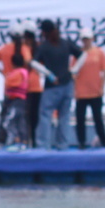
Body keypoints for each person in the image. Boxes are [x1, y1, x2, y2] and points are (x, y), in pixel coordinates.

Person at [0, 23, 38, 146]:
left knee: (6, 115)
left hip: (9, 87)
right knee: (22, 116)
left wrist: (3, 72)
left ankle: (2, 139)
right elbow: (28, 62)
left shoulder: (5, 48)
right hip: (22, 88)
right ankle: (24, 140)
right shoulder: (24, 49)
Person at [31, 19, 78, 150]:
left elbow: (33, 62)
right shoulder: (65, 43)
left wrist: (49, 74)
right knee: (64, 116)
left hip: (52, 86)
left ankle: (43, 145)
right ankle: (62, 145)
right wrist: (73, 71)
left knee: (46, 115)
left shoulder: (45, 46)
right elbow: (82, 55)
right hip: (67, 84)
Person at [71, 32, 105, 148]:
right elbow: (73, 72)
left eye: (88, 39)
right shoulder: (77, 54)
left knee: (98, 118)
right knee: (80, 119)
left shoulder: (99, 53)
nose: (86, 41)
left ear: (92, 39)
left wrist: (102, 87)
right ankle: (81, 142)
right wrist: (74, 88)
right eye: (84, 39)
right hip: (81, 92)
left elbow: (104, 71)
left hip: (95, 92)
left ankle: (104, 141)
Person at [0, 43, 31, 147]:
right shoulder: (24, 72)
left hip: (16, 100)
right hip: (20, 100)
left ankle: (16, 140)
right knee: (20, 121)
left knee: (9, 121)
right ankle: (23, 141)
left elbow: (10, 83)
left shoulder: (18, 73)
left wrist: (8, 77)